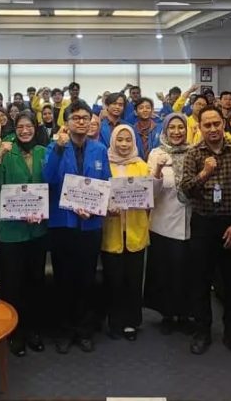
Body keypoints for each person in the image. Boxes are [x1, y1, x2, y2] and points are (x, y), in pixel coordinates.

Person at [178, 106, 231, 358]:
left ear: (224, 124)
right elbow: (186, 188)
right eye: (207, 125)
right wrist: (205, 172)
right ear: (199, 127)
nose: (212, 129)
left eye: (216, 123)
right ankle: (202, 331)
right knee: (200, 280)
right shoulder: (194, 153)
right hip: (202, 223)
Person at [43, 100, 111, 354]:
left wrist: (94, 206)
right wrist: (59, 150)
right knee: (63, 279)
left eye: (85, 117)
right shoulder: (55, 147)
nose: (81, 122)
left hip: (90, 224)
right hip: (63, 223)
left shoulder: (99, 149)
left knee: (86, 279)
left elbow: (106, 183)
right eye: (76, 118)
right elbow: (47, 179)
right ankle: (64, 330)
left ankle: (84, 330)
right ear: (67, 122)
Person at [0, 112, 49, 356]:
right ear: (15, 128)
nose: (25, 131)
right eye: (20, 126)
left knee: (35, 282)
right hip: (12, 232)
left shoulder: (43, 152)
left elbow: (50, 186)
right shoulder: (6, 151)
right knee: (13, 284)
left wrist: (41, 210)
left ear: (36, 128)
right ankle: (14, 333)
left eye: (29, 126)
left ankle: (33, 330)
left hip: (37, 230)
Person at [144, 113, 191, 334]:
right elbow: (149, 194)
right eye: (172, 127)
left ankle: (185, 314)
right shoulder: (156, 154)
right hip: (163, 223)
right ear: (165, 130)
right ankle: (168, 315)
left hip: (190, 223)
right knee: (166, 271)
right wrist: (157, 171)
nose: (176, 132)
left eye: (181, 127)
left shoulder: (194, 152)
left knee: (186, 272)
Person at [101, 125, 150, 341]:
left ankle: (132, 322)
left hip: (135, 231)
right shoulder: (104, 164)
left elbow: (149, 196)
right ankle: (115, 321)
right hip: (111, 230)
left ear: (134, 142)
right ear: (113, 141)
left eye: (128, 140)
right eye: (119, 139)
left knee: (134, 279)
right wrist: (107, 206)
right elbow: (97, 193)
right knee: (113, 280)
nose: (123, 144)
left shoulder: (141, 165)